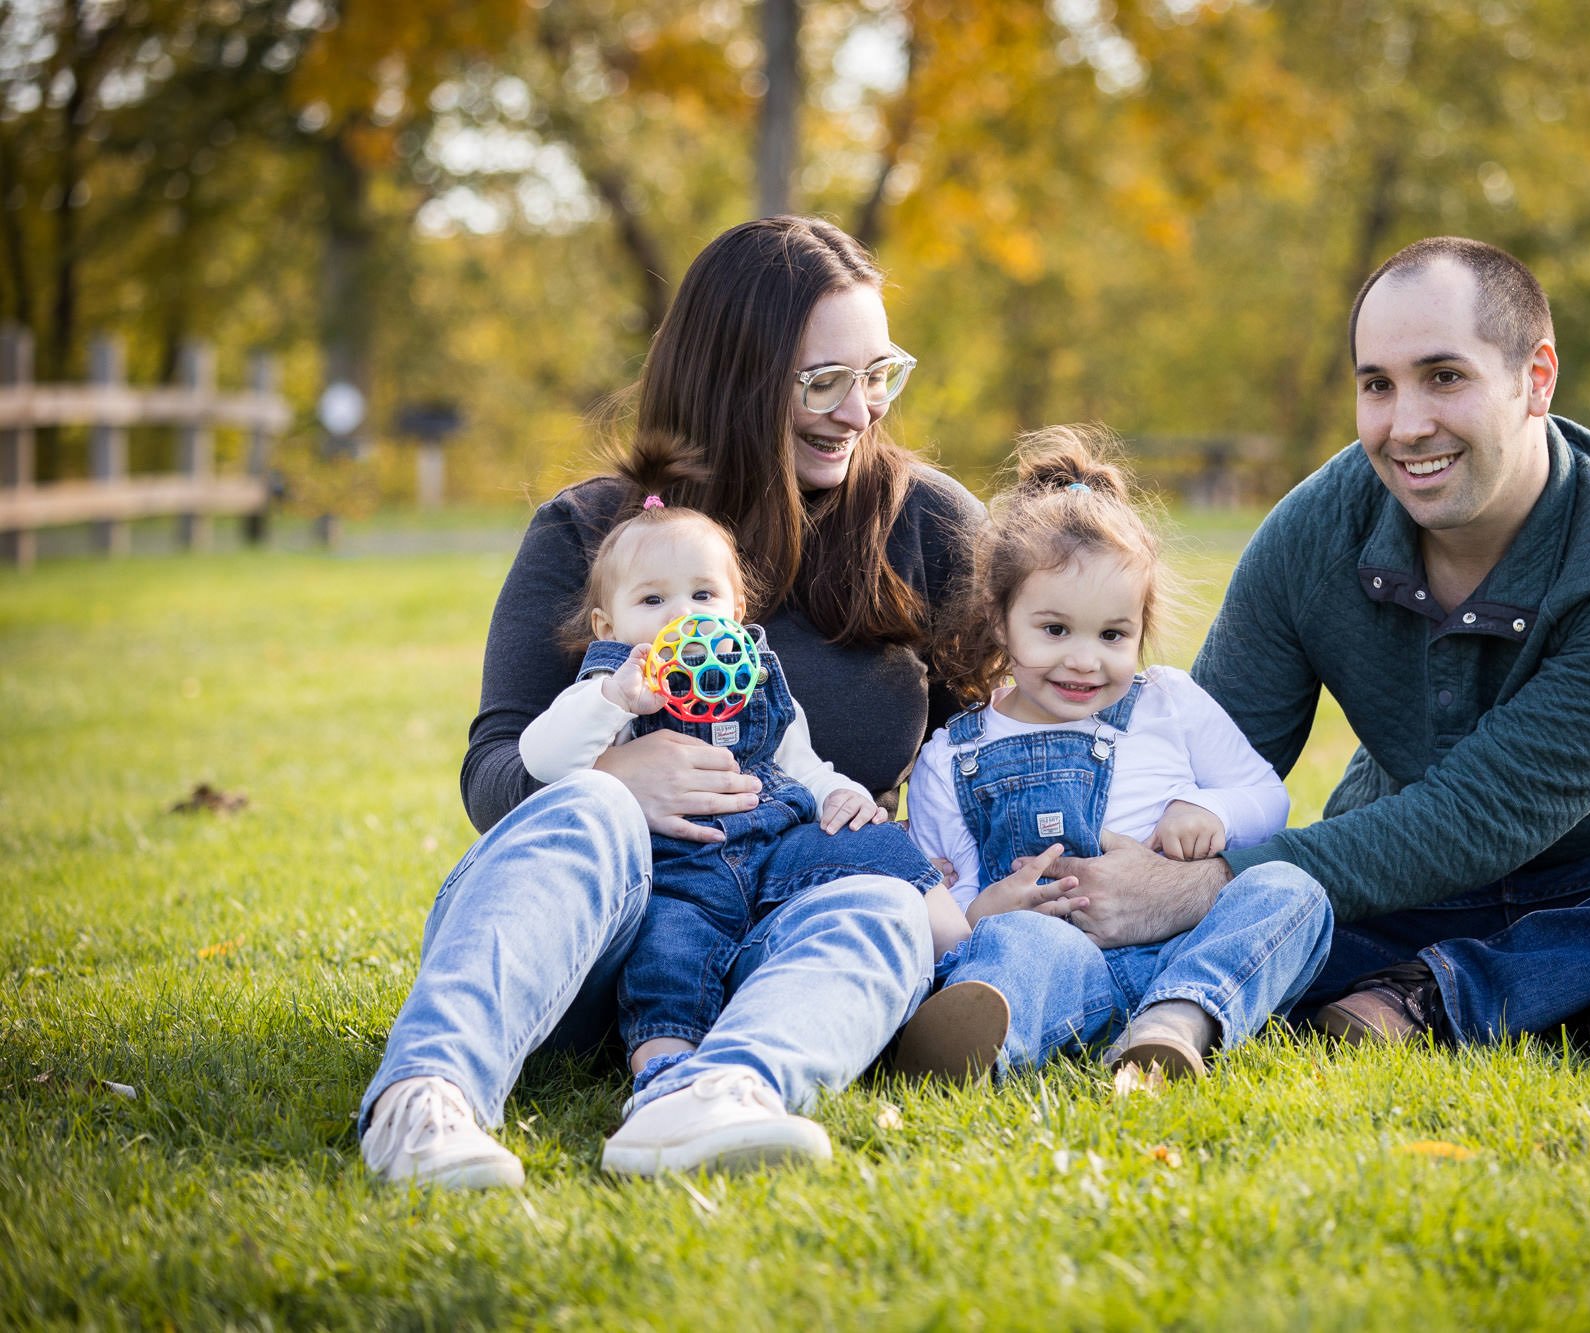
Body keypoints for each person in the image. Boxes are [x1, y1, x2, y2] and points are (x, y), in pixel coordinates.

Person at [1046, 236, 1590, 1054]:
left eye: (1444, 377)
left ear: (1535, 379)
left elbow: (1484, 815)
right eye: (1377, 385)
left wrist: (1212, 883)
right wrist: (1076, 874)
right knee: (1245, 916)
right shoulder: (1315, 531)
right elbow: (1199, 757)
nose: (1406, 425)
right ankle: (1582, 997)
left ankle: (1442, 992)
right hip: (1409, 889)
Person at [356, 215, 981, 1189]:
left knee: (885, 904)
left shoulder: (924, 524)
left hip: (779, 945)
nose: (859, 410)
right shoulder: (591, 532)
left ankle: (716, 1091)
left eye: (878, 374)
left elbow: (990, 743)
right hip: (592, 950)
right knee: (594, 807)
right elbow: (493, 775)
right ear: (735, 377)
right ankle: (426, 1098)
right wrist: (617, 772)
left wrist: (986, 888)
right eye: (823, 381)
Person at [515, 493, 945, 1163]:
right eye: (652, 600)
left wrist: (841, 795)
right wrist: (612, 700)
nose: (682, 614)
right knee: (667, 957)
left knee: (875, 845)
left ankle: (960, 962)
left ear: (737, 609)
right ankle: (665, 1076)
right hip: (678, 871)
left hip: (776, 847)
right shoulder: (614, 684)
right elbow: (542, 759)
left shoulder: (755, 674)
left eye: (703, 594)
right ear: (608, 623)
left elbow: (800, 763)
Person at [898, 428, 1333, 1082]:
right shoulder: (955, 754)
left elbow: (1268, 799)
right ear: (998, 616)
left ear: (1140, 627)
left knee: (1292, 890)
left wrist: (1209, 809)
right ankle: (981, 1042)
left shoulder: (1169, 703)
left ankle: (1176, 1020)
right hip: (1058, 963)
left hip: (1179, 948)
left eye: (1112, 634)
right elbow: (950, 896)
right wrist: (983, 911)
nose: (1084, 659)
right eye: (1054, 629)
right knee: (1014, 941)